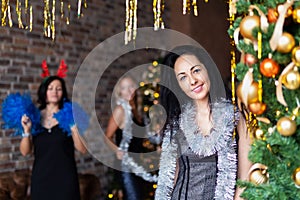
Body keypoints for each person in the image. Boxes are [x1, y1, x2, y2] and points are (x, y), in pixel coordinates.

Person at [155, 45, 251, 200]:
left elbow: (245, 178)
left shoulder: (235, 117)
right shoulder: (177, 124)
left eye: (196, 70)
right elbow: (170, 177)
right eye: (183, 77)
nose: (192, 81)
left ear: (207, 69)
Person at [19, 75, 87, 200]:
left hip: (66, 179)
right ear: (44, 91)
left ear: (63, 92)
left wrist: (74, 128)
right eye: (50, 88)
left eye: (58, 88)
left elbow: (83, 150)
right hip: (41, 179)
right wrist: (27, 131)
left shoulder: (70, 114)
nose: (54, 92)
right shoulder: (33, 117)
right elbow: (25, 152)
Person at [105, 75, 157, 200]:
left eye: (131, 86)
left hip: (139, 163)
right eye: (124, 88)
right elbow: (107, 137)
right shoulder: (120, 110)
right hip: (126, 165)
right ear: (120, 92)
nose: (128, 91)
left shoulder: (138, 111)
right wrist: (117, 150)